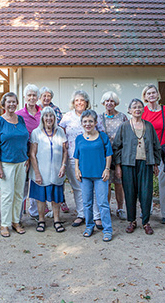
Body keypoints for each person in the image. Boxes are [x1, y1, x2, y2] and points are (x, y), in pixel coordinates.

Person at [113, 99, 161, 235]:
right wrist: (117, 166)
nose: (137, 109)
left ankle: (146, 222)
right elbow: (117, 147)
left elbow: (156, 146)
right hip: (128, 164)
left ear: (143, 109)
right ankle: (131, 221)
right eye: (134, 107)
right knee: (129, 192)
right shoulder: (124, 126)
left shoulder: (149, 126)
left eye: (140, 107)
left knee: (146, 193)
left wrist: (156, 163)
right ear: (129, 110)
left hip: (146, 164)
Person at [59, 90, 105, 228]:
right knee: (77, 187)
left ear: (87, 103)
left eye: (82, 100)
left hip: (92, 158)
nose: (79, 103)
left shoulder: (93, 115)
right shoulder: (67, 117)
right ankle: (81, 214)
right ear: (73, 103)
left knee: (94, 188)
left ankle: (96, 216)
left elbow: (102, 134)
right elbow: (60, 133)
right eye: (77, 100)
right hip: (73, 157)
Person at [0, 92, 29, 238]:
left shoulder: (21, 120)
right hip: (6, 163)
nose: (12, 104)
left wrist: (26, 157)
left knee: (19, 194)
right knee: (7, 195)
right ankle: (4, 224)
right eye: (9, 102)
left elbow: (25, 138)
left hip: (21, 162)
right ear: (4, 104)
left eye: (14, 102)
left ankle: (15, 221)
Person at [74, 110, 113, 241]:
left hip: (100, 175)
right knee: (87, 203)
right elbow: (76, 156)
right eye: (85, 121)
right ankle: (89, 226)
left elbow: (109, 154)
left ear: (96, 122)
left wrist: (107, 169)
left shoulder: (103, 136)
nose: (88, 124)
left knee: (103, 203)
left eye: (91, 121)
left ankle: (107, 230)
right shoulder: (79, 138)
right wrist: (76, 170)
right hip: (85, 175)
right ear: (81, 123)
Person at [29, 107, 68, 233]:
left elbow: (65, 150)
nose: (49, 118)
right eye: (46, 116)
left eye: (51, 116)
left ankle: (57, 220)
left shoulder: (60, 131)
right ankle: (41, 220)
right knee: (41, 198)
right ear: (42, 118)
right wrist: (37, 173)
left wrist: (63, 165)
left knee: (56, 197)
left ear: (55, 118)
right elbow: (33, 154)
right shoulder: (36, 132)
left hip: (57, 170)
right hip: (42, 170)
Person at [141, 84, 165, 224]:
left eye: (153, 93)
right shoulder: (142, 111)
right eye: (149, 93)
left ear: (158, 94)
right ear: (145, 96)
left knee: (164, 182)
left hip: (164, 149)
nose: (151, 95)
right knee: (146, 183)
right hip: (148, 151)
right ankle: (146, 210)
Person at [15, 84, 43, 220]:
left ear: (38, 97)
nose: (32, 98)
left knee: (37, 182)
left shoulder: (43, 113)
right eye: (29, 95)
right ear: (25, 97)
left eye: (34, 95)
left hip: (41, 155)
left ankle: (35, 212)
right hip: (24, 155)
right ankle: (18, 216)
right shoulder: (18, 115)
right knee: (23, 185)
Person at [100, 91, 128, 221]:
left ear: (115, 103)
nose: (109, 103)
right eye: (107, 101)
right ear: (103, 103)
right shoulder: (99, 118)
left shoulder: (122, 117)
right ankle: (107, 208)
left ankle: (120, 208)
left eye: (112, 101)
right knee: (106, 183)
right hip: (104, 155)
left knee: (119, 183)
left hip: (118, 155)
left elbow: (127, 135)